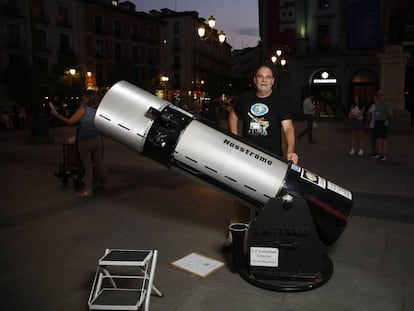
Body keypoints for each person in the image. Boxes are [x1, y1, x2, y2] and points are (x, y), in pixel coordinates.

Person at [227, 65, 299, 237]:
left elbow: (288, 128)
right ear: (255, 80)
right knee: (241, 196)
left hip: (272, 159)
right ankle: (235, 237)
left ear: (273, 81)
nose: (264, 80)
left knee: (267, 199)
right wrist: (235, 137)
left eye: (268, 77)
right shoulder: (245, 98)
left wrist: (291, 150)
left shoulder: (281, 102)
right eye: (260, 76)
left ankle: (262, 237)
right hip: (246, 157)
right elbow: (233, 115)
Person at [50, 91, 107, 196]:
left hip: (85, 141)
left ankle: (88, 190)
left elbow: (69, 122)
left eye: (84, 97)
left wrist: (56, 114)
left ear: (88, 98)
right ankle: (105, 185)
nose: (82, 98)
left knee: (88, 166)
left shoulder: (83, 109)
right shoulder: (98, 109)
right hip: (97, 140)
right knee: (99, 164)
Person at [371, 89, 393, 160]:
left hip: (383, 123)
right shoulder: (377, 104)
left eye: (380, 95)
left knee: (382, 139)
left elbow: (390, 115)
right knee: (378, 138)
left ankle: (383, 154)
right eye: (378, 95)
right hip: (377, 123)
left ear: (383, 96)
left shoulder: (385, 104)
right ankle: (378, 153)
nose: (379, 96)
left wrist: (386, 119)